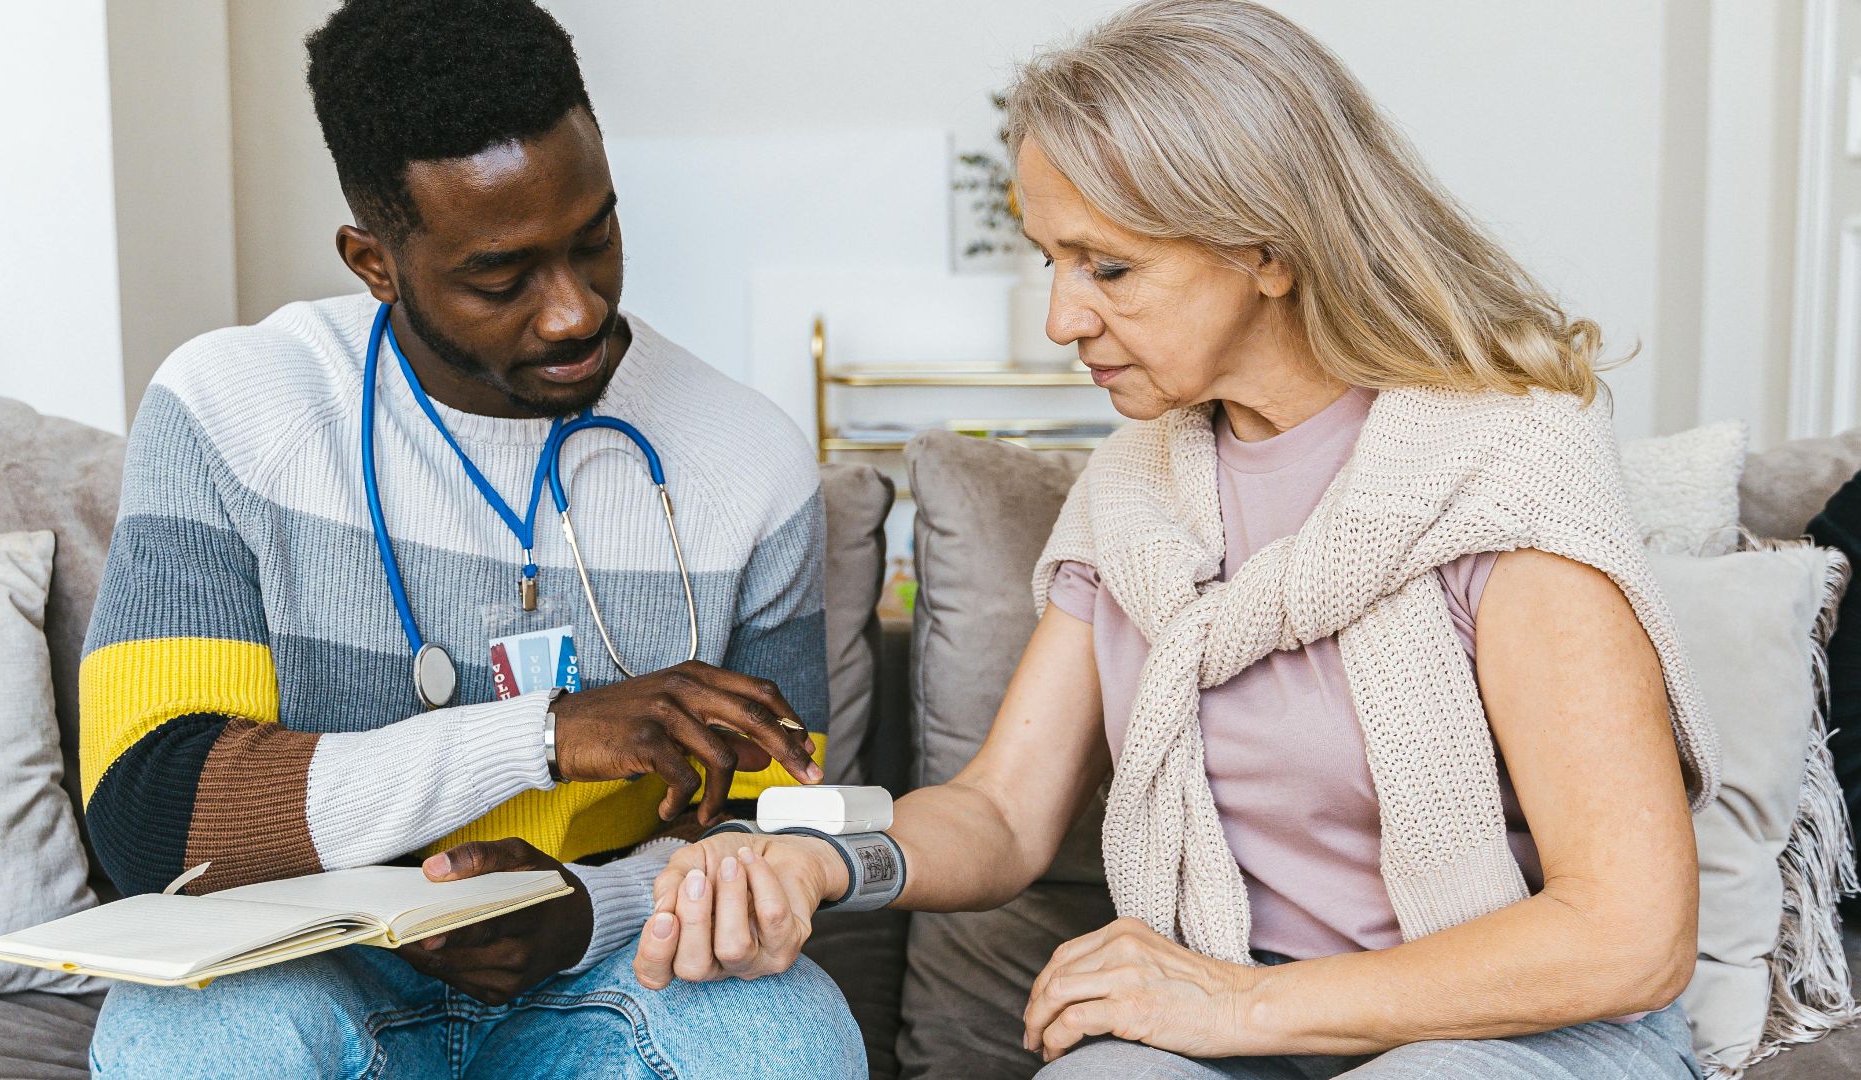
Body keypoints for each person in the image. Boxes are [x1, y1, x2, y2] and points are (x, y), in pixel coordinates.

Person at [633, 2, 1718, 1077]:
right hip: (1238, 1013)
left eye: (1107, 267)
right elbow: (1002, 812)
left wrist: (1243, 1004)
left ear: (1269, 251)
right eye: (1047, 259)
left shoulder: (1503, 471)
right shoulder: (1135, 487)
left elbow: (1628, 933)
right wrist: (820, 858)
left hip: (1507, 1026)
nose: (1061, 318)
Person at [78, 1, 862, 1075]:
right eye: (503, 278)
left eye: (596, 239)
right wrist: (539, 736)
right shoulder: (229, 411)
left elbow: (783, 826)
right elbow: (149, 815)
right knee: (197, 1040)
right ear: (375, 262)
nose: (573, 312)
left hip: (611, 967)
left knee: (786, 1038)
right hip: (302, 964)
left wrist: (588, 905)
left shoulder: (747, 457)